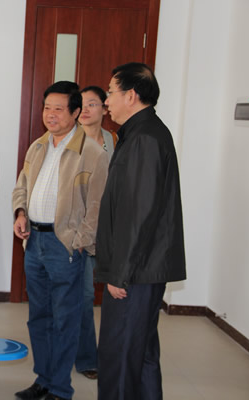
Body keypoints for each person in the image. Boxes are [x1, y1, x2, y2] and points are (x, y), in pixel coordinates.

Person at [12, 81, 108, 400]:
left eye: (58, 109)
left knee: (65, 318)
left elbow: (97, 206)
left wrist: (80, 241)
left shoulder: (92, 153)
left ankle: (60, 388)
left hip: (64, 245)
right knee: (39, 317)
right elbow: (21, 186)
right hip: (34, 242)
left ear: (76, 112)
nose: (50, 115)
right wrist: (21, 212)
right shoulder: (38, 146)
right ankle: (43, 378)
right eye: (46, 108)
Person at [95, 62, 186, 400]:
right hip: (143, 269)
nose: (107, 101)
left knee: (119, 357)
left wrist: (121, 273)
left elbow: (139, 214)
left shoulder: (145, 138)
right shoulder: (141, 133)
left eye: (111, 92)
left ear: (131, 95)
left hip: (135, 272)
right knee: (141, 354)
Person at [74, 86, 117, 380]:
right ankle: (88, 358)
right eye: (82, 104)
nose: (86, 109)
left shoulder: (114, 140)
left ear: (104, 107)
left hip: (109, 228)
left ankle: (112, 354)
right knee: (85, 294)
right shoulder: (71, 141)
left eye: (93, 103)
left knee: (115, 292)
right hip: (81, 229)